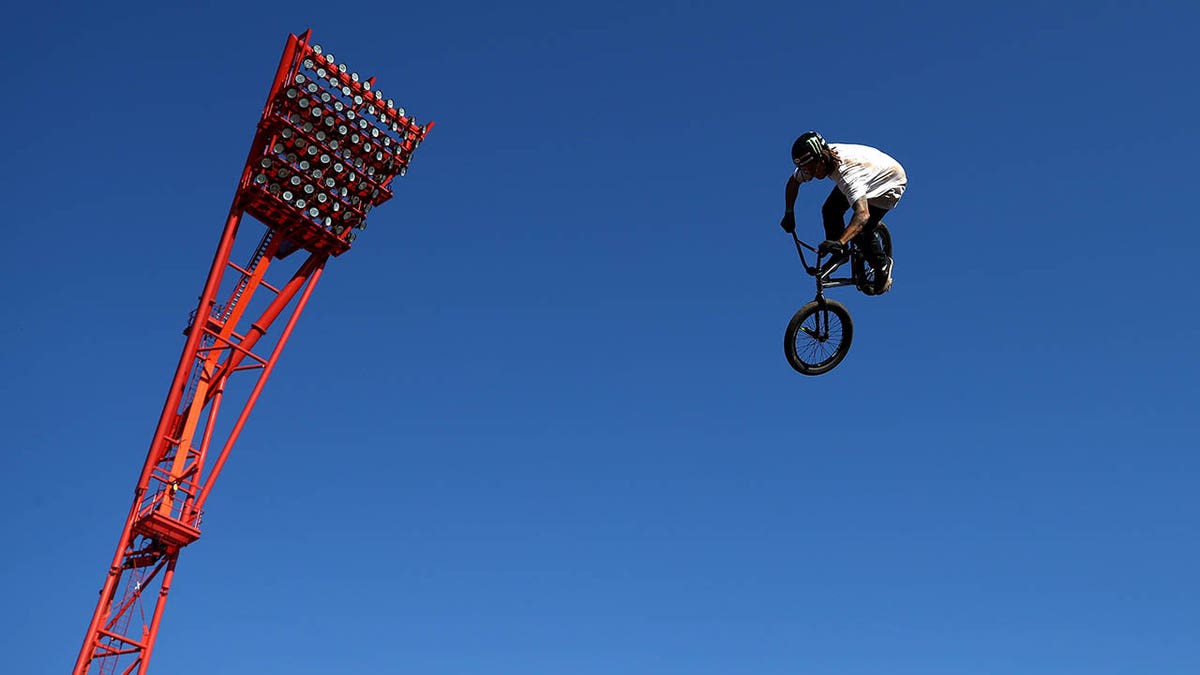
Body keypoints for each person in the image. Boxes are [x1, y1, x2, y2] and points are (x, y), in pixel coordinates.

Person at [779, 131, 907, 294]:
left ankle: (882, 265)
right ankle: (840, 254)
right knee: (830, 210)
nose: (808, 173)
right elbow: (793, 183)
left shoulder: (848, 176)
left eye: (810, 168)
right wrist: (789, 212)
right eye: (805, 169)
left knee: (861, 232)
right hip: (871, 170)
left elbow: (862, 215)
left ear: (821, 159)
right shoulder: (817, 161)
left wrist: (841, 241)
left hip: (890, 183)